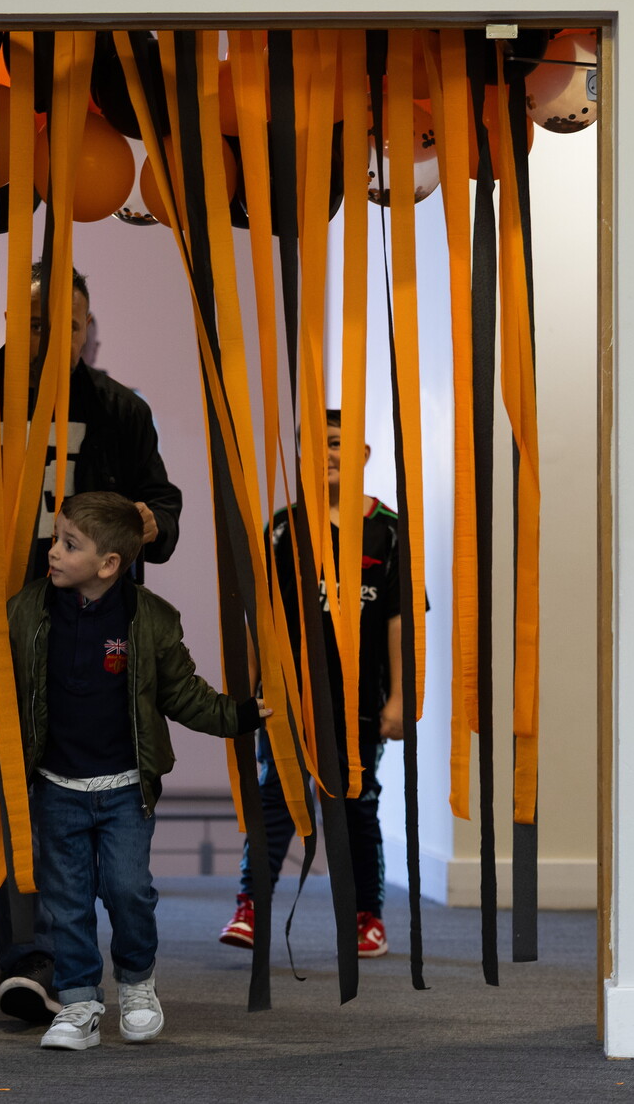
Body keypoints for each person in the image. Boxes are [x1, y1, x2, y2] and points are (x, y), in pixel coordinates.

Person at [0, 262, 183, 1023]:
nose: (53, 335)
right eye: (35, 321)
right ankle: (30, 962)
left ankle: (86, 958)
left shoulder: (121, 412)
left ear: (85, 331)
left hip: (91, 629)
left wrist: (147, 523)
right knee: (2, 780)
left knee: (83, 785)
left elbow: (163, 505)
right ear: (6, 322)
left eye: (68, 324)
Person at [0, 492, 270, 1049]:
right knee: (65, 901)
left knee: (128, 891)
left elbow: (182, 694)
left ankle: (138, 984)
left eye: (68, 544)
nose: (53, 552)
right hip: (57, 789)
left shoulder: (151, 620)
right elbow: (27, 700)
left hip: (125, 792)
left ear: (109, 564)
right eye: (55, 538)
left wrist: (238, 716)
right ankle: (77, 1004)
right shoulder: (28, 611)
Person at [219, 409, 404, 958]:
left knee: (356, 806)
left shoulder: (390, 531)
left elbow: (400, 622)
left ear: (364, 454)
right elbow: (262, 620)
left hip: (360, 704)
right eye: (314, 445)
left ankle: (366, 916)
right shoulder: (284, 527)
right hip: (286, 702)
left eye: (337, 442)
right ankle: (253, 908)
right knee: (275, 801)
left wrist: (399, 697)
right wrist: (247, 690)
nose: (326, 454)